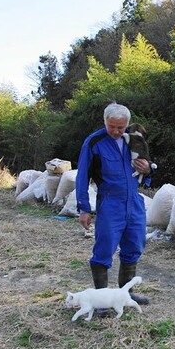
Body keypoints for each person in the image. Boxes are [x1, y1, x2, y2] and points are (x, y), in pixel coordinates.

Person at [75, 102, 153, 306]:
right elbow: (82, 175)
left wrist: (147, 169)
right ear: (105, 121)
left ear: (127, 124)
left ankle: (125, 295)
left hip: (134, 201)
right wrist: (84, 208)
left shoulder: (134, 140)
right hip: (110, 202)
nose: (116, 131)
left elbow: (146, 170)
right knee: (104, 249)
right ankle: (101, 301)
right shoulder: (94, 142)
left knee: (134, 246)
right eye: (112, 127)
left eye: (121, 127)